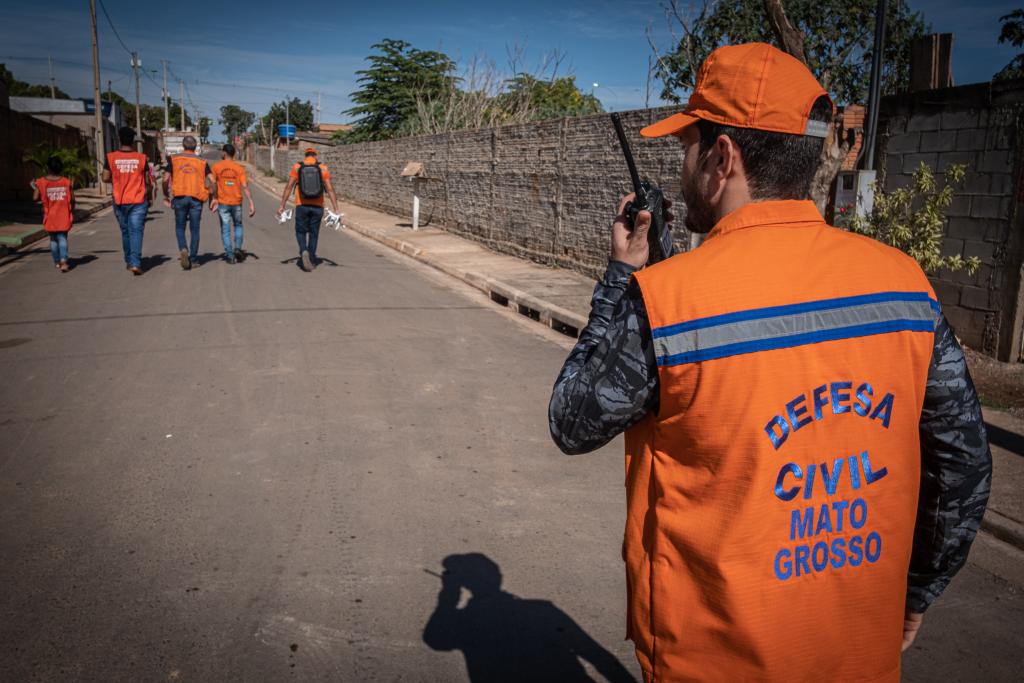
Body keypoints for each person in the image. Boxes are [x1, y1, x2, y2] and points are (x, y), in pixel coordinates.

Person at [548, 42, 992, 682]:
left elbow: (571, 418)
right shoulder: (905, 285)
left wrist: (621, 276)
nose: (682, 167)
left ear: (722, 157)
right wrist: (917, 591)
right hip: (857, 657)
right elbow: (965, 465)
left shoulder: (666, 302)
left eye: (687, 148)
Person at [276, 146, 339, 272]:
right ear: (315, 155)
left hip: (302, 204)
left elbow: (288, 187)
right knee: (314, 234)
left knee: (300, 231)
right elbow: (330, 189)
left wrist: (282, 205)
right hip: (318, 206)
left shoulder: (297, 167)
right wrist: (336, 208)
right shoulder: (323, 168)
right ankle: (310, 257)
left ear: (305, 156)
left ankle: (303, 250)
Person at [103, 126, 152, 275]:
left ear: (119, 139)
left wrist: (117, 177)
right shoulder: (141, 158)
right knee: (136, 232)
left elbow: (105, 178)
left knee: (125, 232)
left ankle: (129, 261)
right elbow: (146, 181)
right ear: (133, 141)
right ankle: (136, 263)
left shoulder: (110, 157)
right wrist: (149, 198)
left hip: (119, 200)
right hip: (138, 200)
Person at [163, 135, 216, 270]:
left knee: (180, 227)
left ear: (183, 145)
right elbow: (213, 181)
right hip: (196, 199)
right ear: (195, 146)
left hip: (179, 197)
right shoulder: (202, 162)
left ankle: (183, 249)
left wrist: (165, 195)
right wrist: (213, 198)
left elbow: (165, 179)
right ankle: (193, 258)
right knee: (195, 229)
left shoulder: (174, 160)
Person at [211, 143, 254, 264]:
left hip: (223, 203)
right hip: (237, 203)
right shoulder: (239, 168)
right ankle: (238, 248)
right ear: (234, 154)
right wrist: (251, 203)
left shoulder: (216, 167)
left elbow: (213, 185)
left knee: (225, 230)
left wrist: (213, 198)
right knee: (238, 225)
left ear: (224, 153)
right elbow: (245, 186)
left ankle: (230, 256)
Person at [32, 155, 75, 273]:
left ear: (48, 168)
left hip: (49, 216)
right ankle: (64, 261)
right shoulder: (66, 182)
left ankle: (57, 261)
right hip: (63, 215)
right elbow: (72, 200)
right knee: (62, 238)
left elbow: (35, 198)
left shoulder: (41, 182)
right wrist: (72, 211)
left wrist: (35, 187)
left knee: (53, 239)